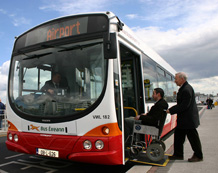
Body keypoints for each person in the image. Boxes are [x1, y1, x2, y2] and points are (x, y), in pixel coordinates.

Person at [166, 72, 203, 162]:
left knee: (193, 138)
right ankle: (178, 154)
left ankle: (198, 155)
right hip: (184, 119)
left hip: (188, 120)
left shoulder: (186, 89)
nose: (175, 81)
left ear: (182, 79)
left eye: (176, 79)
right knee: (178, 136)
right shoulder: (184, 88)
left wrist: (170, 110)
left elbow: (183, 105)